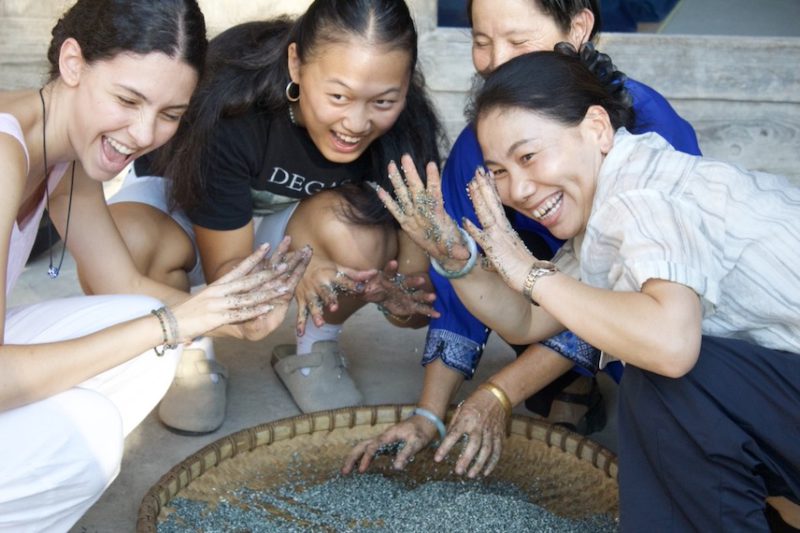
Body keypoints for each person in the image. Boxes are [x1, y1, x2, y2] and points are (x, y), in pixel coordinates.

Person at [374, 47, 800, 531]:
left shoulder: (640, 194)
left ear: (597, 128)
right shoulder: (599, 221)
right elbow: (531, 319)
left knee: (664, 383)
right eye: (499, 172)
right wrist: (460, 265)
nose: (518, 190)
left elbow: (672, 347)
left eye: (529, 156)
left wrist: (530, 271)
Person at [342, 0, 700, 476]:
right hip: (568, 300)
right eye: (481, 41)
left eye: (517, 40)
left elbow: (645, 317)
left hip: (674, 330)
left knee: (667, 407)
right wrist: (429, 414)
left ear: (577, 28)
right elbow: (484, 300)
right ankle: (567, 379)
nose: (495, 62)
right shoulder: (480, 146)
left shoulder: (649, 143)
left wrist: (499, 391)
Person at [0, 1, 311, 530]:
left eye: (170, 114)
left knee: (144, 334)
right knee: (90, 437)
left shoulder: (61, 149)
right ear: (72, 63)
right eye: (127, 99)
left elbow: (118, 284)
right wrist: (176, 322)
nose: (144, 135)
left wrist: (221, 313)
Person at [97, 0, 444, 432]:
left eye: (383, 100)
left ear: (406, 84)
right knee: (127, 242)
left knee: (361, 232)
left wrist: (393, 296)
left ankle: (317, 347)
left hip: (293, 224)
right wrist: (297, 271)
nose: (356, 122)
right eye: (338, 96)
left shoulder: (408, 132)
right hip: (187, 208)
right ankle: (189, 352)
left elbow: (417, 302)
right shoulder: (233, 107)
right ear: (296, 63)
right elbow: (227, 268)